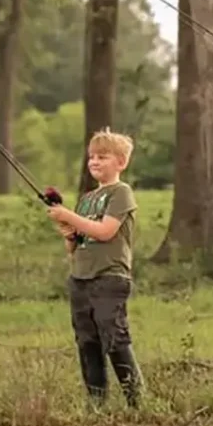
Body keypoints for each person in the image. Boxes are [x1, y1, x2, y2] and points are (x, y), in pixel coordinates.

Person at [46, 128, 142, 409]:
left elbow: (105, 231)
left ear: (121, 162)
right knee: (87, 342)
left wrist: (67, 215)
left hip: (110, 277)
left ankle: (137, 401)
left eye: (103, 157)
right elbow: (76, 246)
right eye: (91, 157)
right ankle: (96, 404)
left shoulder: (121, 193)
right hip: (81, 278)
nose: (95, 162)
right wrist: (69, 234)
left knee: (114, 338)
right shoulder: (87, 198)